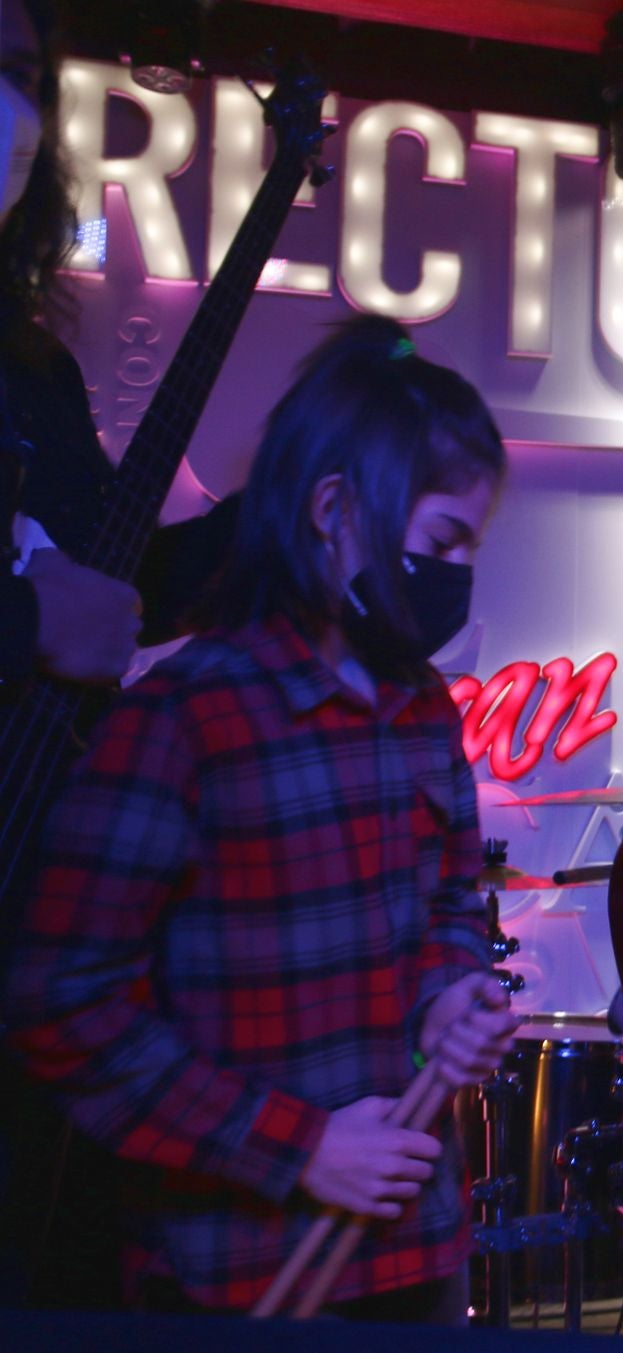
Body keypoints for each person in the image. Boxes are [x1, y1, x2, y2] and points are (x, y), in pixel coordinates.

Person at [3, 315, 520, 1318]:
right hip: (229, 1273)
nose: (458, 574)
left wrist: (451, 996)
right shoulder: (184, 718)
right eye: (443, 541)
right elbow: (60, 1003)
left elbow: (451, 903)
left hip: (416, 1249)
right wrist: (304, 1146)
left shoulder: (424, 714)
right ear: (335, 510)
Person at [0, 0, 236, 1309]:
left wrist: (291, 509)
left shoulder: (31, 367)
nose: (11, 107)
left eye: (25, 74)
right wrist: (31, 625)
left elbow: (120, 569)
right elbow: (66, 610)